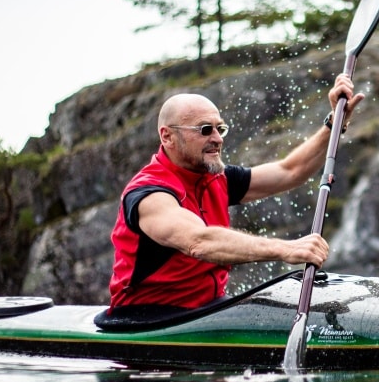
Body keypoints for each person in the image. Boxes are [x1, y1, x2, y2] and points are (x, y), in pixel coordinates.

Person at [106, 73, 364, 312]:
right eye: (205, 130)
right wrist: (284, 248)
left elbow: (290, 172)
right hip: (147, 318)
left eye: (220, 129)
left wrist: (333, 124)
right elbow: (198, 241)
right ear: (167, 137)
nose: (218, 138)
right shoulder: (149, 193)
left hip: (207, 309)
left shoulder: (216, 178)